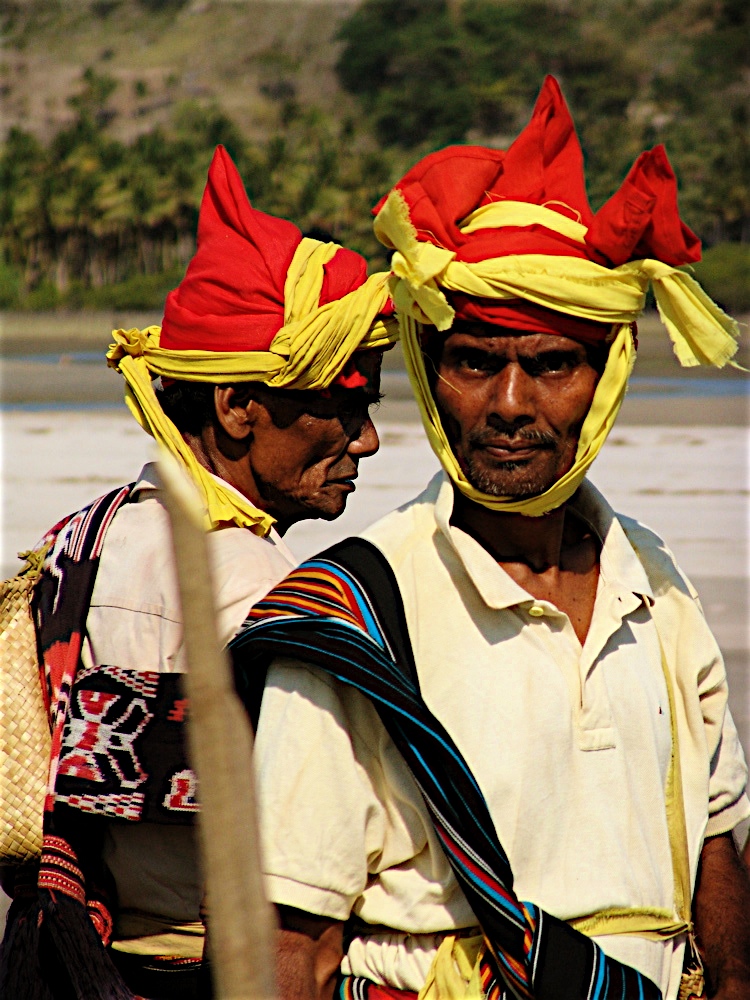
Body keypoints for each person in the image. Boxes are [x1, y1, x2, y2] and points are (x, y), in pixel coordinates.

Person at [232, 77, 750, 1000]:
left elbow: (716, 852)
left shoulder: (656, 585)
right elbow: (290, 945)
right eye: (475, 363)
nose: (509, 406)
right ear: (435, 380)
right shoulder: (356, 612)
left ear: (607, 376)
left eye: (551, 365)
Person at [0, 144, 396, 1000]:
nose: (366, 439)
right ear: (237, 406)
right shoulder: (247, 583)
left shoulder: (87, 534)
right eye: (343, 402)